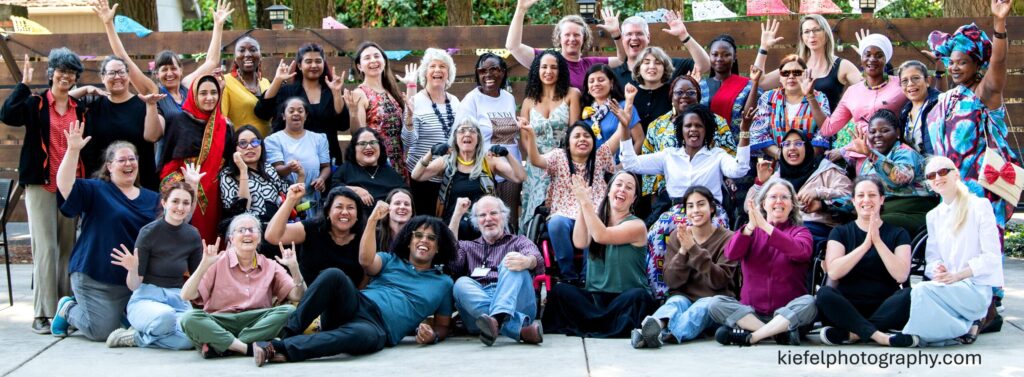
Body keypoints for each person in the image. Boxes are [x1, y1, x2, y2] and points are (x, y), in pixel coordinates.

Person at [51, 121, 198, 341]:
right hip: (95, 276)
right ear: (109, 166)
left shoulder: (151, 198)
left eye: (132, 159)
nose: (128, 163)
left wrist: (192, 186)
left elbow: (180, 217)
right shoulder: (95, 189)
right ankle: (68, 308)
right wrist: (72, 151)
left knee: (147, 324)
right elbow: (65, 186)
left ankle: (119, 313)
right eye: (122, 160)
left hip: (134, 281)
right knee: (102, 332)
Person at [254, 216, 456, 366]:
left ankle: (278, 348)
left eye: (431, 238)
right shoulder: (390, 260)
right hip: (356, 304)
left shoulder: (444, 283)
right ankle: (287, 335)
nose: (424, 240)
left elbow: (443, 325)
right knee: (333, 275)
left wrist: (434, 336)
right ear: (409, 241)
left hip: (377, 328)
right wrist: (373, 220)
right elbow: (366, 261)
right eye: (418, 235)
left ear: (439, 247)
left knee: (359, 336)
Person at [621, 104, 750, 299]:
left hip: (710, 210)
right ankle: (660, 294)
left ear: (706, 130)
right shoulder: (669, 156)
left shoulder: (717, 155)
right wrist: (625, 128)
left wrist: (744, 132)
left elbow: (739, 169)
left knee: (718, 229)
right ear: (681, 130)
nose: (693, 129)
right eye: (688, 125)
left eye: (699, 126)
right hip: (678, 210)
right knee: (657, 232)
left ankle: (713, 290)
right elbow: (631, 163)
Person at [0, 48, 84, 333]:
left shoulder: (79, 108)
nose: (66, 76)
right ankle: (42, 313)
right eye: (61, 71)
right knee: (46, 249)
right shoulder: (35, 103)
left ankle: (63, 310)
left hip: (69, 186)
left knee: (67, 249)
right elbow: (7, 115)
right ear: (51, 73)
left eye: (71, 72)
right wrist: (22, 85)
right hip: (41, 184)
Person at [926, 0, 1017, 232]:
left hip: (981, 189)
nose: (955, 67)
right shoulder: (951, 96)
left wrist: (999, 22)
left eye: (962, 63)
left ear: (977, 65)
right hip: (950, 189)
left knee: (983, 246)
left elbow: (998, 61)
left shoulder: (985, 93)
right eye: (952, 62)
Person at [899, 156, 1005, 347]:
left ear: (956, 175)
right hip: (947, 287)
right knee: (918, 295)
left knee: (922, 291)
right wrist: (938, 269)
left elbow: (992, 258)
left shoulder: (979, 206)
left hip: (974, 289)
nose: (937, 177)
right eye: (931, 175)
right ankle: (962, 326)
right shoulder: (933, 216)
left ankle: (917, 336)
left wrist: (958, 275)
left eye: (943, 172)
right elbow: (932, 259)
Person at [544, 173, 654, 338]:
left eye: (629, 187)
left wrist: (586, 202)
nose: (622, 189)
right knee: (560, 291)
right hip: (595, 299)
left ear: (634, 199)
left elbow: (601, 235)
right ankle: (604, 324)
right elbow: (580, 242)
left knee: (639, 297)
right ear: (608, 191)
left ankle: (594, 324)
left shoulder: (637, 225)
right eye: (618, 184)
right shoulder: (596, 220)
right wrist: (582, 204)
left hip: (624, 299)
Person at [179, 214, 304, 358]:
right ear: (231, 238)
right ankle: (246, 348)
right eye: (241, 230)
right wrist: (203, 265)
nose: (247, 234)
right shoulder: (217, 261)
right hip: (221, 321)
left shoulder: (270, 265)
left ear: (259, 238)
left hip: (256, 322)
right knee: (189, 318)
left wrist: (294, 267)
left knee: (289, 311)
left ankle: (223, 345)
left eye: (252, 230)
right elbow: (186, 295)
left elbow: (297, 295)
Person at [709, 179, 816, 346]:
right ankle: (775, 334)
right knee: (715, 303)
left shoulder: (800, 232)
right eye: (773, 197)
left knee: (810, 302)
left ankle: (753, 336)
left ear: (792, 205)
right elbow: (731, 254)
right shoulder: (750, 231)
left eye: (784, 197)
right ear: (764, 203)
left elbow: (801, 252)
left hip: (787, 315)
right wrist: (750, 227)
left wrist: (766, 226)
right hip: (752, 314)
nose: (779, 201)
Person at [630, 186, 736, 349]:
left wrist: (693, 249)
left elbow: (719, 281)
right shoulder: (678, 236)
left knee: (702, 307)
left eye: (701, 204)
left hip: (714, 301)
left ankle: (657, 336)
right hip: (684, 297)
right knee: (675, 303)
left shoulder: (729, 238)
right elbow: (671, 281)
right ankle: (654, 327)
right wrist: (683, 251)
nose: (696, 210)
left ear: (712, 208)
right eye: (690, 206)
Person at [520, 120, 623, 284]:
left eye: (586, 136)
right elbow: (536, 160)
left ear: (593, 141)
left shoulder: (599, 156)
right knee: (556, 224)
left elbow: (618, 135)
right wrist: (531, 134)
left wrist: (625, 117)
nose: (582, 139)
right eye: (577, 136)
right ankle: (568, 275)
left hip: (593, 210)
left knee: (595, 222)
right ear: (568, 143)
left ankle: (587, 277)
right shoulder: (558, 156)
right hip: (563, 211)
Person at [815, 177, 914, 347]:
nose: (866, 200)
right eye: (861, 195)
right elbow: (834, 272)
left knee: (910, 294)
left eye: (872, 195)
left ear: (881, 199)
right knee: (824, 294)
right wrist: (866, 245)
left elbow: (901, 275)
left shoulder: (898, 233)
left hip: (885, 306)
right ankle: (880, 336)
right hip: (847, 306)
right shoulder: (840, 232)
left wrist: (878, 241)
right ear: (854, 201)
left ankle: (854, 334)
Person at [104, 181, 201, 349]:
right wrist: (132, 269)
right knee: (166, 316)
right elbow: (134, 285)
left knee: (191, 339)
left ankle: (136, 337)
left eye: (186, 203)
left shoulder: (193, 235)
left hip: (178, 299)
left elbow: (195, 284)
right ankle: (148, 328)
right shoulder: (148, 232)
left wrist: (206, 265)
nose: (180, 207)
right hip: (146, 298)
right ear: (164, 203)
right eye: (175, 201)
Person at [444, 196, 545, 345]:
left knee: (511, 260)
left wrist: (527, 261)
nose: (488, 219)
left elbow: (537, 258)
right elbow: (452, 261)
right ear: (476, 222)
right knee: (460, 284)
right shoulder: (467, 247)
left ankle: (496, 320)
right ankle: (520, 330)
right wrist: (457, 215)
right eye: (482, 215)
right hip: (478, 314)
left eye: (493, 213)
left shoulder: (519, 241)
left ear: (504, 216)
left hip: (517, 303)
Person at [642, 75, 737, 226]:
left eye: (691, 92)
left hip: (706, 194)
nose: (684, 96)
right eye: (679, 92)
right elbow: (648, 158)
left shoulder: (717, 122)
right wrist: (653, 197)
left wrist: (729, 179)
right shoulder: (657, 125)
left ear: (698, 96)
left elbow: (730, 154)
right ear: (671, 96)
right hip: (668, 198)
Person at [412, 122, 525, 240]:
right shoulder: (447, 161)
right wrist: (430, 153)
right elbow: (416, 175)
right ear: (455, 139)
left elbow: (520, 177)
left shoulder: (488, 160)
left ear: (478, 139)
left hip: (483, 226)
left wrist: (507, 154)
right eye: (462, 131)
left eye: (472, 131)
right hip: (454, 226)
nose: (467, 134)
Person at [159, 75, 235, 244]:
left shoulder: (226, 125)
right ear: (194, 95)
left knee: (216, 240)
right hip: (187, 189)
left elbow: (230, 163)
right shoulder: (179, 122)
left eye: (214, 92)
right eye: (203, 93)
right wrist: (186, 184)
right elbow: (168, 162)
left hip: (217, 194)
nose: (209, 97)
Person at [749, 129, 852, 246]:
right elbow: (750, 208)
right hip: (778, 228)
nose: (792, 148)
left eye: (798, 143)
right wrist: (761, 183)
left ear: (807, 148)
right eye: (787, 144)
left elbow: (851, 199)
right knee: (754, 239)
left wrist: (822, 202)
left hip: (814, 230)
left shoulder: (826, 170)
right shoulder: (778, 176)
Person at [75, 55, 163, 190]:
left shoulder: (144, 104)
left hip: (141, 185)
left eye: (121, 72)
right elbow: (61, 98)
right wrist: (85, 89)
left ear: (128, 75)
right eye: (111, 73)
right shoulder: (92, 108)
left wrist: (151, 105)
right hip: (103, 186)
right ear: (103, 77)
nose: (117, 77)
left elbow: (154, 137)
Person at [844, 109, 936, 237]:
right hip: (880, 209)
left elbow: (899, 178)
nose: (877, 135)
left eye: (884, 130)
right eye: (872, 132)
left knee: (871, 226)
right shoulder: (868, 162)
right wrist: (828, 204)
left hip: (911, 210)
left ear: (897, 133)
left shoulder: (905, 152)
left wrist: (871, 154)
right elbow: (861, 191)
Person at [519, 50, 582, 232]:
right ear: (537, 70)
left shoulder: (572, 94)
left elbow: (574, 132)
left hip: (563, 163)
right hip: (535, 166)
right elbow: (524, 138)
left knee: (560, 215)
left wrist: (560, 161)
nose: (548, 71)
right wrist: (537, 159)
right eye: (544, 67)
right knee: (533, 215)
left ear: (560, 70)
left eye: (554, 67)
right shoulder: (529, 101)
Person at [255, 43, 348, 163]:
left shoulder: (331, 92)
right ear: (299, 65)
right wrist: (277, 80)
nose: (314, 65)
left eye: (318, 61)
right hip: (292, 160)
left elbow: (343, 125)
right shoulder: (287, 92)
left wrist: (336, 93)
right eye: (308, 61)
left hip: (327, 160)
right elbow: (262, 112)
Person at [820, 33, 907, 159]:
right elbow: (828, 129)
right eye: (868, 55)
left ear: (886, 59)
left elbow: (925, 96)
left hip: (894, 155)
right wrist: (810, 96)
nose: (872, 59)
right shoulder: (852, 92)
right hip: (861, 157)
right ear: (861, 59)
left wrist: (938, 70)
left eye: (879, 55)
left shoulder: (900, 84)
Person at [456, 53, 521, 221]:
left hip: (511, 170)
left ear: (503, 72)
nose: (488, 74)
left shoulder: (508, 98)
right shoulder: (471, 100)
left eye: (494, 69)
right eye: (482, 71)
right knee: (487, 220)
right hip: (484, 171)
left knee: (510, 219)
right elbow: (460, 135)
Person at [506, 0, 625, 90]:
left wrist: (616, 34)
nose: (572, 39)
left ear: (584, 38)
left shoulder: (590, 64)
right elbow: (513, 46)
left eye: (576, 35)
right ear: (559, 37)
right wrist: (520, 10)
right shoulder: (547, 60)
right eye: (567, 35)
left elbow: (620, 60)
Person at [266, 185, 367, 289]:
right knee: (332, 274)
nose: (345, 212)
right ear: (328, 211)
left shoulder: (364, 237)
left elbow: (367, 274)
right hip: (311, 295)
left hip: (349, 296)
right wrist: (290, 200)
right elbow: (273, 236)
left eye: (350, 208)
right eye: (339, 207)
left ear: (357, 214)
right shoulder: (312, 228)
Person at [753, 15, 862, 108]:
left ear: (826, 33)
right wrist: (764, 47)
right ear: (802, 37)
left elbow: (867, 89)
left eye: (816, 30)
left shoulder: (842, 65)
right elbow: (761, 82)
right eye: (807, 31)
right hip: (796, 125)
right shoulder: (795, 65)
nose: (812, 35)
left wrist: (867, 58)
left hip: (828, 125)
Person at [346, 41, 418, 181]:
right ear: (359, 66)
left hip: (399, 162)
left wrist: (411, 85)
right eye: (367, 58)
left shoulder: (390, 91)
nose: (373, 60)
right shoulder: (360, 93)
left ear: (384, 61)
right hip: (377, 165)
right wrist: (353, 114)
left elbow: (410, 115)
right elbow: (358, 134)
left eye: (376, 56)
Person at [406, 48, 461, 213]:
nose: (438, 70)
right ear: (425, 73)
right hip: (421, 176)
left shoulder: (455, 101)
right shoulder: (415, 101)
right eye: (433, 66)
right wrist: (409, 119)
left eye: (442, 66)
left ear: (449, 74)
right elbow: (408, 142)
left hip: (449, 177)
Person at [218, 124, 290, 249]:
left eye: (255, 142)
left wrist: (301, 176)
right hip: (248, 234)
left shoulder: (268, 168)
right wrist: (243, 170)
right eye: (243, 143)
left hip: (275, 230)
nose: (250, 147)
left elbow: (287, 199)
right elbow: (240, 211)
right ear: (235, 148)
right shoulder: (228, 174)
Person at [748, 55, 831, 158]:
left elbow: (824, 132)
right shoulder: (768, 98)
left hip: (811, 162)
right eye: (785, 73)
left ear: (805, 75)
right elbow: (758, 134)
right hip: (776, 162)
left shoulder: (819, 98)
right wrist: (783, 157)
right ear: (780, 78)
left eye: (797, 73)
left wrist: (803, 159)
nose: (791, 76)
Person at [265, 97, 330, 216]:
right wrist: (289, 168)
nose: (296, 113)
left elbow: (326, 166)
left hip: (314, 197)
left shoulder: (319, 139)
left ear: (306, 115)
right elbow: (276, 170)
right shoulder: (273, 140)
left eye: (300, 111)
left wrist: (321, 179)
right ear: (283, 116)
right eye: (291, 111)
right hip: (286, 197)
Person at [613, 12, 709, 90]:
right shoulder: (613, 73)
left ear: (648, 37)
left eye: (639, 33)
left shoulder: (671, 66)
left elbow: (704, 66)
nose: (634, 38)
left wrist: (684, 35)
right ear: (622, 39)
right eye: (629, 34)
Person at [329, 127, 407, 207]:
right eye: (362, 143)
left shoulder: (390, 172)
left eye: (373, 142)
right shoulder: (345, 169)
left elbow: (406, 193)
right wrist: (354, 190)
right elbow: (333, 189)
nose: (368, 147)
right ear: (354, 148)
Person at [700, 34, 760, 133]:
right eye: (715, 54)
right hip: (706, 140)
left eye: (726, 55)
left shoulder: (748, 86)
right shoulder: (700, 86)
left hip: (738, 140)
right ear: (709, 56)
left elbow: (749, 115)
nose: (719, 58)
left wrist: (755, 83)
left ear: (734, 57)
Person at [581, 64, 640, 151]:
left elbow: (639, 140)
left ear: (611, 83)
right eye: (591, 81)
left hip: (621, 159)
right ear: (588, 87)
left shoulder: (625, 106)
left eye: (601, 80)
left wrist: (627, 160)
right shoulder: (585, 112)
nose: (596, 84)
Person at [221, 36, 272, 137]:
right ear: (235, 57)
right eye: (242, 50)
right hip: (241, 144)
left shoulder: (265, 82)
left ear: (260, 56)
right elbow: (222, 120)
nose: (248, 54)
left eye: (253, 50)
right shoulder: (225, 82)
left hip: (267, 144)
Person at [896, 60, 941, 155]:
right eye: (904, 81)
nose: (910, 84)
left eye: (915, 78)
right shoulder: (905, 112)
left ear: (927, 81)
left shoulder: (939, 104)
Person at [631, 47, 677, 128]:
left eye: (658, 63)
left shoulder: (674, 92)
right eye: (646, 62)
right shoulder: (630, 94)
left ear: (665, 69)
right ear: (638, 69)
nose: (652, 66)